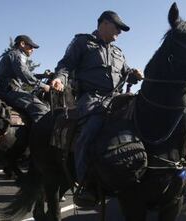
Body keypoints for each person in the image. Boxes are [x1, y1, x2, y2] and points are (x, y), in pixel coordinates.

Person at [50, 10, 143, 206]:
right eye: (117, 27)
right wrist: (59, 78)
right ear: (104, 24)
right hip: (91, 98)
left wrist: (134, 74)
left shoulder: (118, 52)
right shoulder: (82, 42)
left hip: (117, 98)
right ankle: (84, 183)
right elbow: (66, 64)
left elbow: (126, 73)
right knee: (93, 126)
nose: (120, 31)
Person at [0, 35, 50, 123]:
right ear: (22, 44)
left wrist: (43, 75)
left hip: (0, 89)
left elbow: (25, 73)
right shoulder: (17, 54)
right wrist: (42, 85)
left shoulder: (12, 54)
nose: (33, 50)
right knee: (41, 109)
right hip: (7, 90)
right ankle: (40, 136)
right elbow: (24, 74)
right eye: (31, 46)